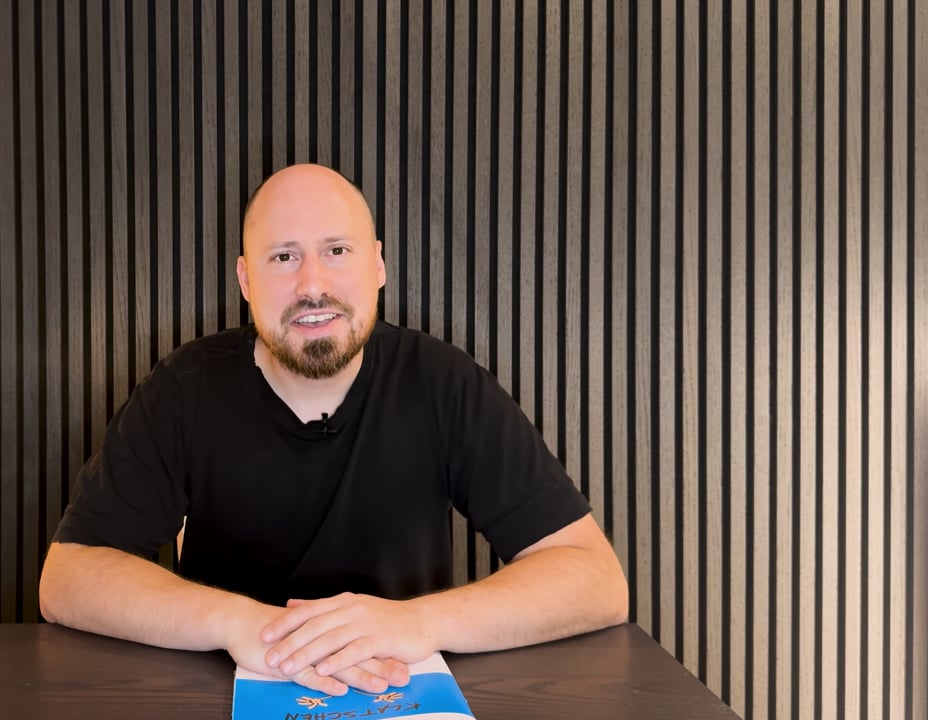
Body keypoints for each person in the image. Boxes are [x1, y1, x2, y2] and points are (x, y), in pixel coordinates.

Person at [38, 163, 628, 697]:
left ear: (378, 265)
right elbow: (69, 577)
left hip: (402, 692)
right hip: (225, 696)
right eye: (283, 257)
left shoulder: (441, 381)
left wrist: (416, 622)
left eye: (337, 250)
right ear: (246, 280)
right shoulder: (185, 387)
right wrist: (245, 626)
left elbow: (595, 580)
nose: (312, 285)